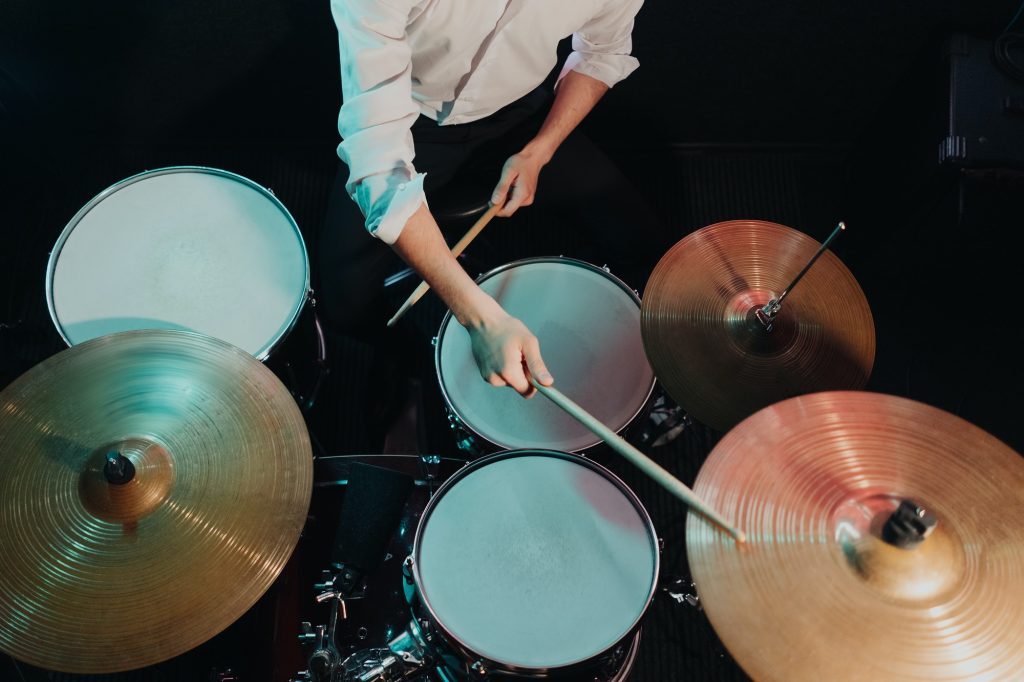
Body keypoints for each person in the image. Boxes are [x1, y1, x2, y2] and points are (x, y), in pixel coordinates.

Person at [320, 0, 669, 401]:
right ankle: (409, 362)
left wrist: (541, 150)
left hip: (520, 116)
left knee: (649, 248)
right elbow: (380, 171)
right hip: (408, 121)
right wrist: (480, 317)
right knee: (342, 301)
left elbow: (601, 54)